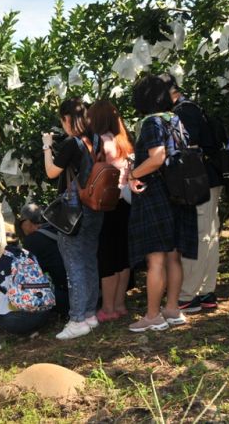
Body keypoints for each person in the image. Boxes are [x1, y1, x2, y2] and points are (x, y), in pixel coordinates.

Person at [126, 76, 198, 332]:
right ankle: (172, 309)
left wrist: (133, 174)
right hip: (179, 194)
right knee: (173, 256)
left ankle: (153, 316)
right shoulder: (175, 119)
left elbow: (157, 158)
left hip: (156, 196)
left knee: (155, 259)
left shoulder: (151, 122)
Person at [159, 74, 223, 314]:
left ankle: (188, 294)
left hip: (199, 182)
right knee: (209, 234)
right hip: (207, 179)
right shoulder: (192, 107)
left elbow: (187, 147)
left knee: (200, 234)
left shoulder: (183, 111)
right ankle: (206, 291)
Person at [42, 97, 104, 340]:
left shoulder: (72, 143)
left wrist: (47, 146)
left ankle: (77, 319)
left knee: (74, 264)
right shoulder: (95, 139)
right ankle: (89, 314)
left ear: (67, 119)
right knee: (89, 260)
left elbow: (51, 172)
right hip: (95, 207)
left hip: (74, 212)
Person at [87, 100, 134, 322]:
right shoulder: (124, 141)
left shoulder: (102, 143)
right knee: (122, 256)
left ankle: (107, 308)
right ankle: (119, 304)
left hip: (107, 203)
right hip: (125, 202)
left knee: (106, 257)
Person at [16, 203, 69, 317]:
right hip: (83, 288)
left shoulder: (32, 241)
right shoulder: (58, 229)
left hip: (65, 296)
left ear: (28, 223)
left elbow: (29, 275)